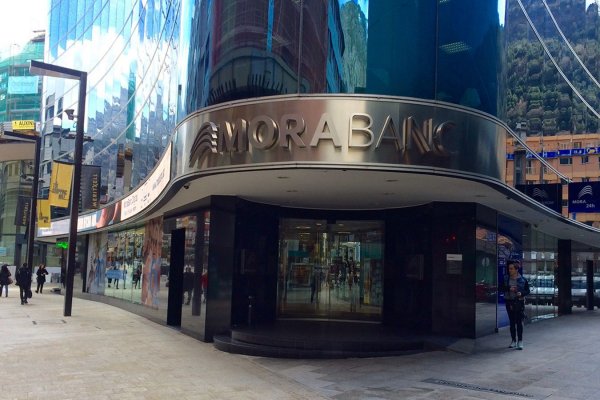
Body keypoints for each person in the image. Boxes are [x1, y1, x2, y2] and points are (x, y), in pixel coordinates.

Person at [500, 260, 530, 350]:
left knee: (519, 322)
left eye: (511, 269)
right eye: (509, 269)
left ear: (516, 269)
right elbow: (500, 288)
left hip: (519, 302)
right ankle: (513, 340)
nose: (509, 270)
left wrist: (521, 293)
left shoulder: (523, 280)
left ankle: (520, 341)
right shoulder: (506, 278)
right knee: (512, 322)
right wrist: (509, 288)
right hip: (509, 302)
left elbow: (527, 291)